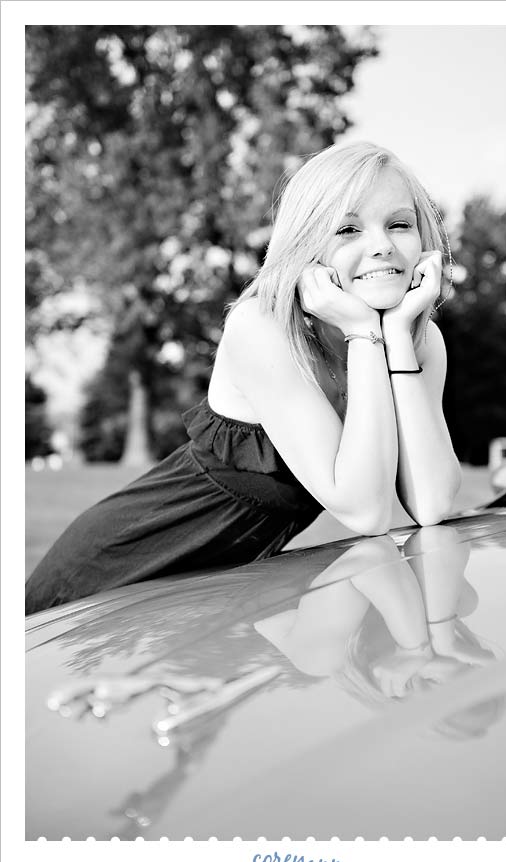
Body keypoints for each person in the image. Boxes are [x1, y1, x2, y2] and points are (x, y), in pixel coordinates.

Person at [25, 141, 461, 615]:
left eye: (399, 224)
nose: (381, 245)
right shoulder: (263, 327)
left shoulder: (417, 339)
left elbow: (432, 503)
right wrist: (362, 332)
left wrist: (394, 335)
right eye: (348, 228)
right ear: (308, 242)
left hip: (210, 596)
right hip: (122, 563)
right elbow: (367, 511)